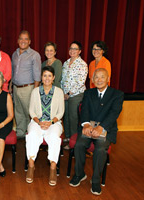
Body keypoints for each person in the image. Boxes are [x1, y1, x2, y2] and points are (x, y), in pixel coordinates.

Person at [69, 68, 123, 196]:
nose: (99, 80)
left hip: (106, 129)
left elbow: (114, 113)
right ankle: (79, 174)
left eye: (102, 77)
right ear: (92, 80)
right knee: (79, 144)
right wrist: (86, 124)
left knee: (100, 149)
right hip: (89, 127)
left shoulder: (117, 94)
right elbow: (85, 110)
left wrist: (101, 127)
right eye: (96, 77)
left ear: (108, 79)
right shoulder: (88, 93)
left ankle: (95, 181)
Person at [25, 66, 64, 186]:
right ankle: (31, 165)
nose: (47, 78)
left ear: (53, 78)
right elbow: (31, 111)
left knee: (54, 137)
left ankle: (53, 167)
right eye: (44, 75)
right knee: (32, 135)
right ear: (41, 78)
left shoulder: (59, 92)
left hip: (54, 122)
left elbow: (61, 112)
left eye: (49, 76)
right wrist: (39, 121)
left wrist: (51, 122)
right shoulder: (35, 91)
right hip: (37, 122)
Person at [11, 30, 41, 139]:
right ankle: (20, 133)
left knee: (29, 112)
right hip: (15, 87)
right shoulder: (14, 54)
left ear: (29, 41)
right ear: (18, 40)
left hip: (28, 88)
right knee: (18, 112)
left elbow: (37, 74)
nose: (23, 41)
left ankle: (32, 134)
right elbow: (12, 72)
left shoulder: (34, 55)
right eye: (21, 39)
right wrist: (11, 87)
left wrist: (35, 90)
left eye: (26, 39)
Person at [61, 41, 88, 148]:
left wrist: (69, 93)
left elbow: (80, 82)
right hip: (65, 95)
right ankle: (67, 136)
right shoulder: (66, 63)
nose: (72, 50)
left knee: (73, 117)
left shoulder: (82, 64)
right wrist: (63, 93)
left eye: (75, 49)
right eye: (71, 48)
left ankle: (73, 140)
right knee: (66, 116)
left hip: (76, 94)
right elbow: (63, 80)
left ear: (79, 51)